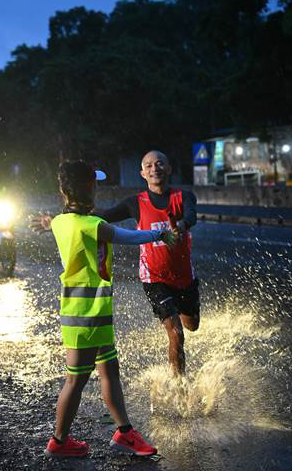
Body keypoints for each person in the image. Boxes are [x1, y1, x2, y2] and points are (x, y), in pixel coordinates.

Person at [43, 159, 178, 458]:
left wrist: (44, 222)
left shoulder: (60, 222)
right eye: (95, 183)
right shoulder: (93, 226)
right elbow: (129, 237)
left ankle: (124, 433)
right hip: (87, 314)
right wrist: (160, 235)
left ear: (63, 191)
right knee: (76, 379)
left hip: (89, 312)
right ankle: (59, 442)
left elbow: (56, 223)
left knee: (109, 371)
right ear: (90, 187)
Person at [32, 151, 199, 376]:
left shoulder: (185, 196)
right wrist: (56, 221)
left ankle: (179, 322)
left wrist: (180, 224)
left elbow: (191, 216)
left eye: (160, 164)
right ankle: (179, 387)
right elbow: (95, 219)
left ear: (169, 169)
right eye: (148, 166)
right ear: (142, 174)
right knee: (176, 333)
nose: (154, 168)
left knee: (192, 325)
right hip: (153, 277)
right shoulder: (136, 203)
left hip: (184, 276)